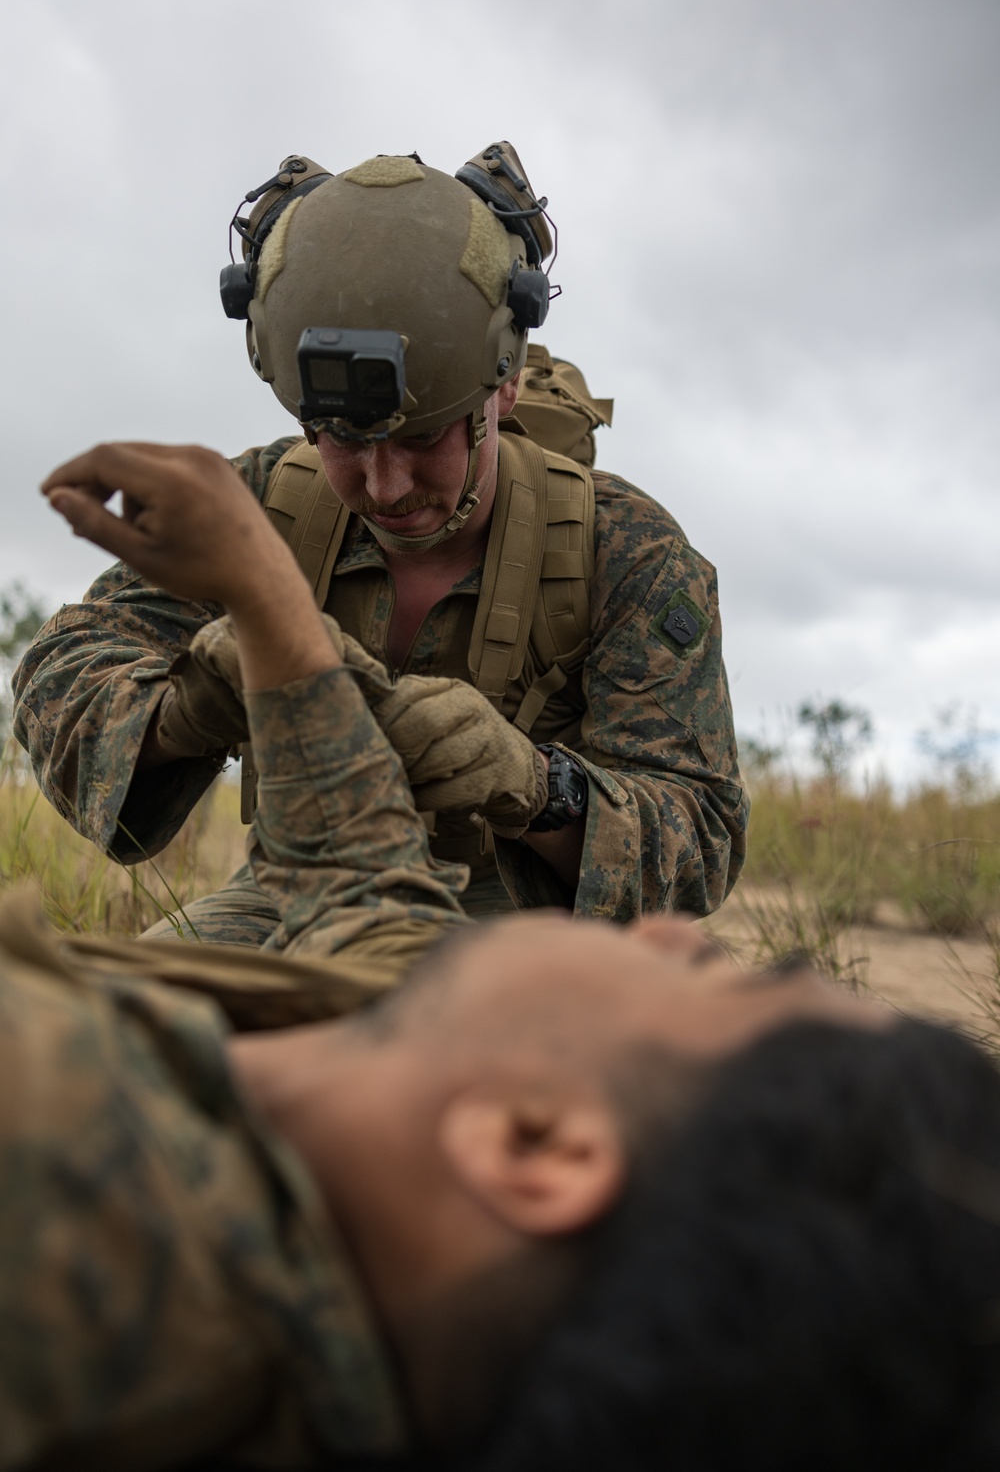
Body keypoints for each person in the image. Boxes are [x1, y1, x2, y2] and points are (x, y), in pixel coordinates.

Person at [6, 440, 1000, 1472]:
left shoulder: (55, 1161)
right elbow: (359, 878)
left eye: (708, 974)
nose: (667, 935)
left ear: (537, 1144)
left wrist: (539, 784)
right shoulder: (407, 1172)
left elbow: (692, 835)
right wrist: (268, 604)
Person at [13, 142, 748, 941]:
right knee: (124, 1036)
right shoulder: (257, 506)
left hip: (532, 925)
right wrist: (185, 710)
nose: (385, 483)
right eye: (340, 438)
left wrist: (540, 788)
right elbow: (61, 669)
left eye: (424, 437)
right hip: (295, 892)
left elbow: (700, 834)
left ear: (503, 385)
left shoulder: (625, 552)